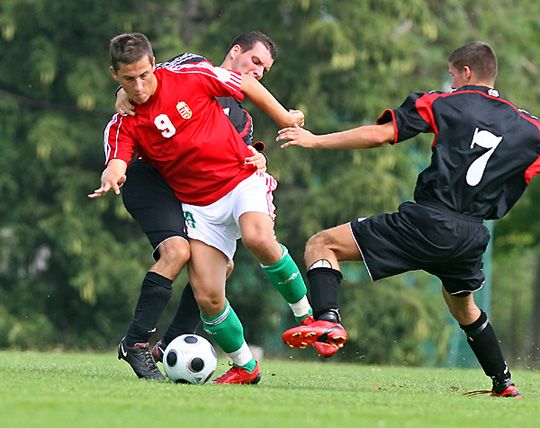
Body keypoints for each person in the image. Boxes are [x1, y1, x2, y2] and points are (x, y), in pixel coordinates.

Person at [277, 41, 539, 398]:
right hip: (471, 235)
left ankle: (328, 319)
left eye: (451, 76)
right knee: (463, 306)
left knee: (321, 244)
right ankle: (503, 382)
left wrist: (316, 140)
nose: (450, 84)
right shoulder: (528, 125)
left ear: (465, 72)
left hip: (429, 221)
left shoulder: (444, 103)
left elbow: (380, 134)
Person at [89, 32, 311, 384]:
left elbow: (240, 143)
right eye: (255, 62)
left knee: (233, 259)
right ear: (234, 52)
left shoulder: (241, 118)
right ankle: (142, 343)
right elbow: (118, 153)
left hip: (214, 188)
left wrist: (262, 154)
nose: (258, 73)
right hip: (160, 185)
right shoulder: (193, 69)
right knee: (183, 260)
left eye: (265, 69)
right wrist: (112, 173)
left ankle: (302, 318)